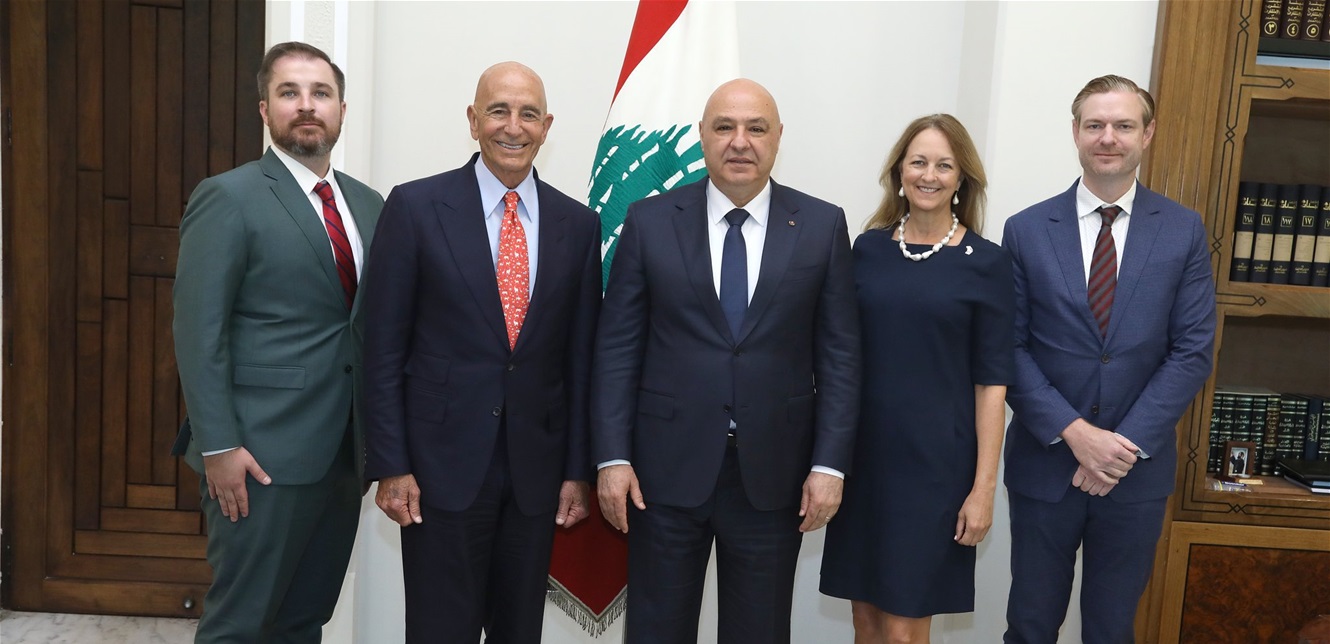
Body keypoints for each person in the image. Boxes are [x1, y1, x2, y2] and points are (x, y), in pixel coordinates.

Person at [592, 78, 861, 643]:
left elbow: (840, 356)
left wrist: (830, 466)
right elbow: (617, 349)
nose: (740, 141)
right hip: (662, 474)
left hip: (774, 476)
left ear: (778, 136)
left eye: (756, 128)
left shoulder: (821, 225)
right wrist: (612, 457)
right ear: (702, 136)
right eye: (725, 127)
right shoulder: (649, 220)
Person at [361, 62, 601, 643]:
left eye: (527, 114)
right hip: (436, 471)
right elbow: (381, 347)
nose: (512, 127)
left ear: (546, 127)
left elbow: (581, 361)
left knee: (520, 632)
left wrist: (578, 471)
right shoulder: (416, 207)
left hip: (536, 476)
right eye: (498, 111)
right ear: (473, 121)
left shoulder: (578, 224)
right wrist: (391, 464)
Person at [172, 41, 383, 643]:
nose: (307, 105)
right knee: (240, 625)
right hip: (257, 459)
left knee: (303, 621)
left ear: (342, 110)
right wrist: (220, 447)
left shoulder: (370, 205)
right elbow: (198, 331)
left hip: (343, 457)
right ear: (265, 109)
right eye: (289, 93)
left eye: (321, 93)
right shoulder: (228, 196)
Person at [1002, 75, 1216, 643]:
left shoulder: (1183, 230)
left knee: (1111, 630)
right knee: (1029, 626)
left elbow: (1193, 349)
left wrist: (1119, 447)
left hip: (1134, 472)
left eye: (1123, 125)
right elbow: (1008, 347)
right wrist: (1076, 434)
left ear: (1147, 134)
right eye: (1095, 125)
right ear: (1075, 132)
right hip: (1046, 465)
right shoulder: (1025, 229)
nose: (1108, 138)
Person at [820, 114, 1014, 643]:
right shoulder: (867, 250)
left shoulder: (988, 263)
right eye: (919, 162)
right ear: (899, 173)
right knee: (865, 623)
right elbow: (838, 356)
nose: (930, 175)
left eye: (944, 165)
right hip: (863, 463)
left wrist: (982, 489)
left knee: (905, 630)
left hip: (936, 471)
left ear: (962, 178)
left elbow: (992, 386)